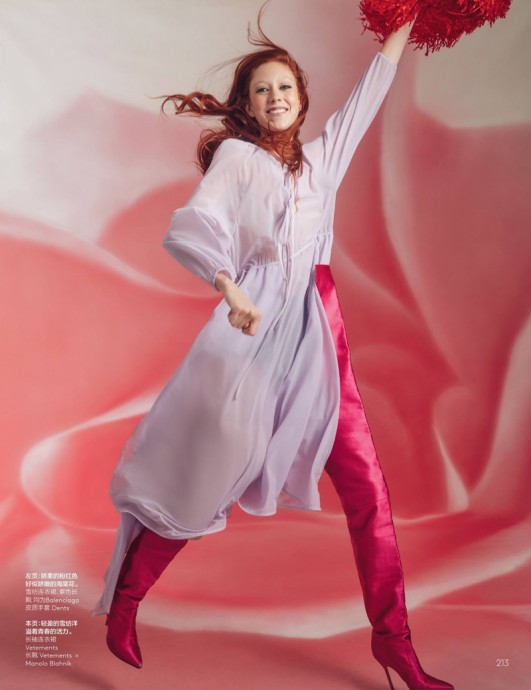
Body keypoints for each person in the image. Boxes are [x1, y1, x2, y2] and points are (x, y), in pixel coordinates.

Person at [93, 8, 454, 690]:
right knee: (207, 473)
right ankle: (127, 600)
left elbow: (374, 86)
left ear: (302, 98)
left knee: (369, 493)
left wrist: (409, 16)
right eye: (261, 89)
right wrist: (229, 289)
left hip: (319, 342)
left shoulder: (324, 160)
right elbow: (195, 224)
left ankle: (394, 642)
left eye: (284, 86)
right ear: (247, 105)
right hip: (250, 336)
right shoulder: (238, 159)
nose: (275, 96)